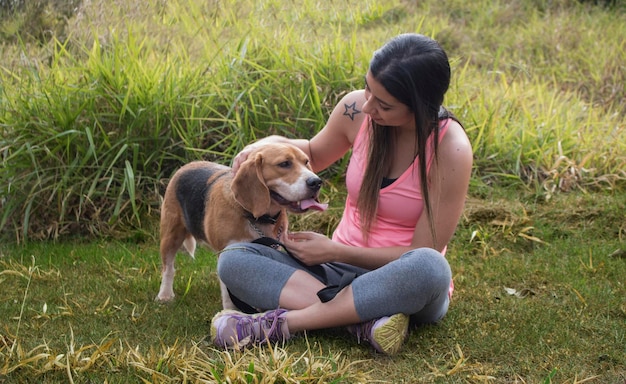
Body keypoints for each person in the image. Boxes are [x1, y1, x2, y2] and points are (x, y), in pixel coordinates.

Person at [210, 33, 473, 355]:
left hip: (399, 278)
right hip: (332, 274)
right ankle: (363, 321)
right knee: (235, 260)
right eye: (367, 88)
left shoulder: (451, 149)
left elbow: (422, 249)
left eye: (384, 105)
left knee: (430, 266)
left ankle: (282, 324)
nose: (367, 106)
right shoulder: (355, 109)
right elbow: (313, 153)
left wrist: (336, 251)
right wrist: (260, 146)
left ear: (420, 106)